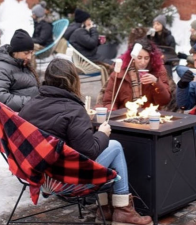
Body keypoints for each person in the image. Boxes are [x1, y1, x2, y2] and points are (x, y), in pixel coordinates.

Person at [18, 58, 152, 225]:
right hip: (64, 179)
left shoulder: (31, 104)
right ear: (73, 80)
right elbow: (89, 151)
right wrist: (102, 133)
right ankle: (122, 210)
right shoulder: (73, 109)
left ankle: (104, 208)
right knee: (115, 146)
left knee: (103, 147)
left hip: (38, 174)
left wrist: (83, 126)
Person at [101, 38, 171, 110]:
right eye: (139, 58)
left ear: (151, 58)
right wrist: (115, 115)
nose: (143, 62)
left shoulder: (158, 70)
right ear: (133, 57)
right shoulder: (120, 72)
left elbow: (164, 101)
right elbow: (109, 101)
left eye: (146, 58)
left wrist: (156, 82)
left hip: (150, 115)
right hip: (125, 115)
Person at [0, 29, 39, 112]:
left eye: (31, 53)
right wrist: (30, 103)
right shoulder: (1, 68)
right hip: (17, 117)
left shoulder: (23, 65)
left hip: (30, 111)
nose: (29, 57)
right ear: (15, 52)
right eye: (26, 53)